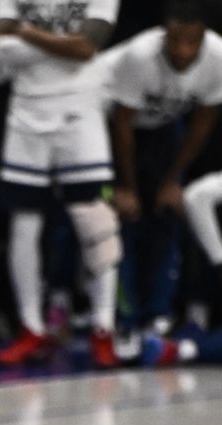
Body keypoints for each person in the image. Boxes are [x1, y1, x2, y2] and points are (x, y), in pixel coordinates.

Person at [0, 0, 122, 368]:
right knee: (24, 222)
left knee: (95, 222)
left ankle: (103, 328)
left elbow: (86, 48)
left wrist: (24, 33)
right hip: (26, 110)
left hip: (81, 106)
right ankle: (32, 328)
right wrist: (56, 43)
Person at [106, 0, 222, 339]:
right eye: (175, 40)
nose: (183, 50)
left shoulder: (217, 57)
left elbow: (202, 124)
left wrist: (171, 180)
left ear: (204, 36)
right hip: (113, 126)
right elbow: (122, 124)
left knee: (170, 210)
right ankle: (124, 318)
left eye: (192, 41)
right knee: (122, 217)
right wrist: (126, 186)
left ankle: (159, 314)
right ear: (163, 34)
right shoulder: (140, 55)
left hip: (166, 127)